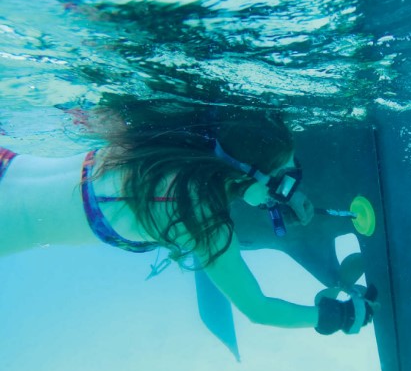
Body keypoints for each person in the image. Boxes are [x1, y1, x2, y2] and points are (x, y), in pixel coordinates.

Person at [0, 111, 376, 335]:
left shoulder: (183, 140)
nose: (285, 189)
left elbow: (237, 166)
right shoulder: (203, 221)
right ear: (254, 176)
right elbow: (260, 311)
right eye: (283, 179)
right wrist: (339, 317)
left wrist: (264, 188)